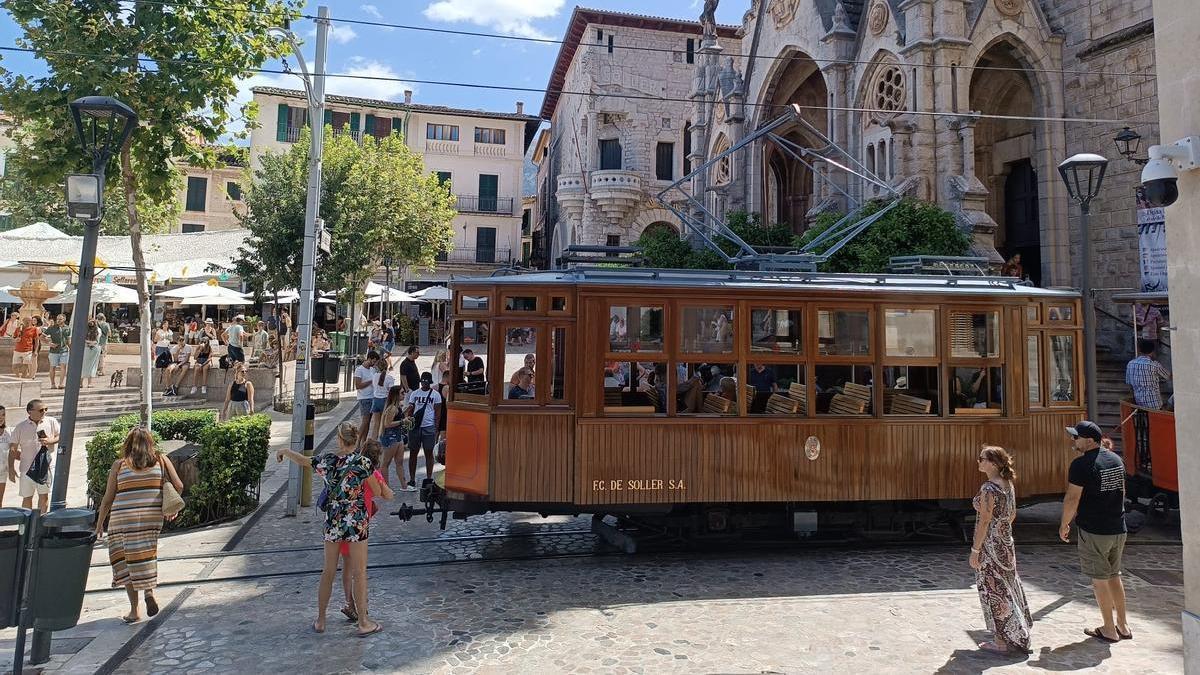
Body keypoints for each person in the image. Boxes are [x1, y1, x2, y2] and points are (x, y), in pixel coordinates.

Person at [276, 422, 386, 636]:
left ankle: (321, 620)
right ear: (356, 440)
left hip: (333, 521)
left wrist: (284, 451)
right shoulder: (363, 463)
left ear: (339, 439)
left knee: (328, 571)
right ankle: (363, 622)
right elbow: (377, 491)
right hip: (356, 523)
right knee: (359, 572)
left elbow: (303, 461)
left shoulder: (328, 461)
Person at [94, 427, 183, 623]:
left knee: (126, 562)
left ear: (127, 444)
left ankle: (134, 610)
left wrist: (100, 524)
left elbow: (108, 498)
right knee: (145, 554)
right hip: (151, 518)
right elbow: (179, 485)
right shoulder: (161, 460)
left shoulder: (119, 465)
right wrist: (171, 507)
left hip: (122, 520)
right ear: (151, 443)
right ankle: (149, 592)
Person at [1059, 421, 1132, 643]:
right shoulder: (1116, 460)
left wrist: (1064, 524)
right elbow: (1122, 492)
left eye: (1076, 437)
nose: (1073, 441)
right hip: (1118, 527)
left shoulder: (1080, 465)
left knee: (1099, 579)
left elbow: (1073, 498)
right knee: (1114, 575)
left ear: (1089, 441)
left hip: (1094, 529)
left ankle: (1109, 629)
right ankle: (1123, 625)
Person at [970, 445, 1032, 655]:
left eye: (982, 459)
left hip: (990, 545)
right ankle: (1017, 632)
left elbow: (984, 521)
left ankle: (1000, 641)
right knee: (1007, 584)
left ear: (994, 463)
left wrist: (976, 550)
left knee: (994, 589)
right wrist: (1003, 532)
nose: (979, 461)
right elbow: (1012, 514)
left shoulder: (989, 488)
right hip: (1006, 542)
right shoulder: (1007, 484)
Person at [338, 438, 392, 624]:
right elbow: (387, 495)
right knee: (358, 571)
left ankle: (349, 603)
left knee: (346, 567)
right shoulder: (372, 473)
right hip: (358, 525)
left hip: (341, 522)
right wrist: (383, 482)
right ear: (377, 458)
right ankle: (360, 609)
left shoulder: (350, 468)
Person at [8, 399, 59, 513]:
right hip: (27, 469)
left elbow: (60, 436)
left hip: (46, 467)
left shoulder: (51, 421)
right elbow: (12, 448)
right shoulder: (20, 427)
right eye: (41, 410)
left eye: (46, 409)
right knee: (27, 497)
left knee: (44, 496)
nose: (44, 412)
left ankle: (40, 525)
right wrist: (11, 468)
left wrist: (50, 441)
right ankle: (28, 524)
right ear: (30, 411)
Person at [405, 371, 442, 490]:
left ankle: (429, 477)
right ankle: (412, 478)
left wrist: (436, 428)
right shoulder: (415, 394)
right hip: (416, 427)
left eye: (426, 382)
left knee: (428, 452)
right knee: (413, 453)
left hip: (429, 426)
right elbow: (411, 409)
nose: (424, 384)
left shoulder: (436, 395)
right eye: (423, 382)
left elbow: (438, 413)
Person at [377, 385, 410, 489]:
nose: (404, 395)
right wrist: (402, 421)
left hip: (397, 436)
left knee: (399, 462)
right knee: (385, 463)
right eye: (402, 393)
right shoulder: (392, 408)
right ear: (396, 395)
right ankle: (386, 487)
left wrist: (405, 414)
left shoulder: (397, 407)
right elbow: (387, 424)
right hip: (390, 437)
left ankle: (404, 485)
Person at [1126, 338, 1171, 410]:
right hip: (1154, 403)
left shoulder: (1130, 364)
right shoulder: (1154, 365)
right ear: (1153, 351)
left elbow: (1129, 384)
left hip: (1138, 403)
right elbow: (1169, 376)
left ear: (1139, 350)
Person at [354, 351, 380, 442]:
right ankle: (357, 442)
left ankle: (363, 442)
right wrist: (371, 381)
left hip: (373, 397)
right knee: (365, 421)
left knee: (368, 422)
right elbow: (358, 385)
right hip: (364, 398)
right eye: (374, 361)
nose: (374, 364)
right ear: (369, 359)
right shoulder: (359, 370)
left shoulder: (373, 369)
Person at [370, 357, 395, 439]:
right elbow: (391, 391)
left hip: (376, 400)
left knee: (376, 424)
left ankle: (373, 441)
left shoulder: (374, 376)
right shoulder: (389, 378)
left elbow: (374, 387)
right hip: (385, 400)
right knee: (385, 423)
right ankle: (383, 440)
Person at [44, 313, 70, 389]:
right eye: (57, 319)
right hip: (53, 351)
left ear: (64, 319)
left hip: (64, 350)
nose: (58, 320)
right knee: (53, 367)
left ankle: (61, 383)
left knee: (63, 367)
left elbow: (68, 340)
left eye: (60, 319)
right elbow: (41, 337)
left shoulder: (67, 328)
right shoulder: (51, 328)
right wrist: (49, 344)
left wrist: (71, 349)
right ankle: (52, 384)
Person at [81, 318, 101, 388]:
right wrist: (91, 343)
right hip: (94, 348)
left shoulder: (84, 330)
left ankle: (81, 383)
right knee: (92, 366)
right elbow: (97, 340)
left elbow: (82, 339)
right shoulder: (98, 330)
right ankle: (89, 383)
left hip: (86, 348)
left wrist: (88, 342)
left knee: (83, 365)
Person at [96, 312, 111, 376]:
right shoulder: (106, 324)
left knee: (97, 356)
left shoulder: (95, 324)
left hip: (96, 342)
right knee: (102, 357)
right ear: (103, 318)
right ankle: (101, 371)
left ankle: (96, 370)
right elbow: (109, 333)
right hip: (103, 342)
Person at [0, 405, 9, 508]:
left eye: (3, 414)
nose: (1, 417)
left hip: (2, 473)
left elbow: (13, 451)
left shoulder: (9, 432)